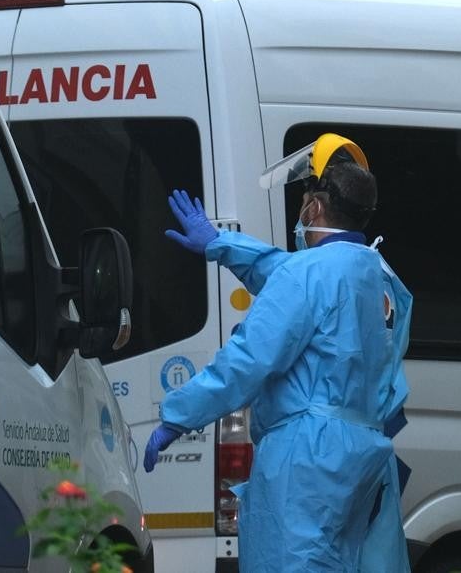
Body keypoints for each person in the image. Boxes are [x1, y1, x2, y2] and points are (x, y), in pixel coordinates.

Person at [145, 134, 413, 572]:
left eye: (304, 199)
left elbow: (246, 361)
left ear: (315, 208)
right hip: (364, 454)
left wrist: (178, 415)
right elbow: (284, 270)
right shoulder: (378, 274)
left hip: (306, 459)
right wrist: (221, 244)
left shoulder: (308, 274)